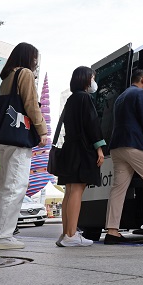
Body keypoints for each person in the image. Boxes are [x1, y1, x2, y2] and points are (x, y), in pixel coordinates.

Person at [0, 42, 47, 250]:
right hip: (19, 137)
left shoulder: (7, 78)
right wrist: (42, 130)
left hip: (5, 137)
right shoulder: (25, 73)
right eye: (35, 57)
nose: (36, 62)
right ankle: (1, 236)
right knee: (16, 185)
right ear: (28, 57)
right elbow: (31, 104)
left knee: (4, 186)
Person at [104, 69, 143, 244]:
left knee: (118, 188)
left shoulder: (120, 98)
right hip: (135, 144)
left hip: (117, 146)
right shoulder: (141, 93)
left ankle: (112, 230)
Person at [55, 66, 106, 247]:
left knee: (69, 191)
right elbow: (92, 125)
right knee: (77, 190)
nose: (93, 81)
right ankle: (71, 235)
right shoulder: (85, 98)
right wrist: (99, 149)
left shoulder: (71, 100)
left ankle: (66, 233)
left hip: (70, 148)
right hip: (82, 150)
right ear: (85, 79)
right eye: (92, 77)